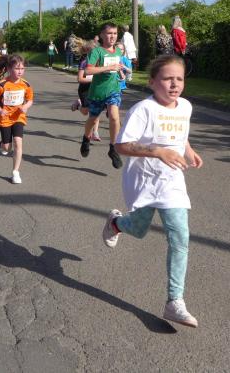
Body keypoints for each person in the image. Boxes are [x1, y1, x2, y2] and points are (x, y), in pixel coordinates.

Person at [101, 55, 203, 328]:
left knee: (180, 236)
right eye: (168, 79)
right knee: (138, 228)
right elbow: (121, 145)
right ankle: (116, 223)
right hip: (144, 180)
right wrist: (157, 151)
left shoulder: (185, 106)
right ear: (152, 82)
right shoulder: (143, 110)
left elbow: (180, 132)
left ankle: (174, 302)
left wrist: (189, 151)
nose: (175, 84)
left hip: (172, 182)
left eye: (179, 79)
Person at [79, 23, 125, 169]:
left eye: (115, 33)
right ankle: (86, 138)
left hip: (113, 90)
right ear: (102, 35)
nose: (113, 36)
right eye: (109, 33)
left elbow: (117, 66)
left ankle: (113, 148)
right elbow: (88, 71)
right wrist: (109, 67)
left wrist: (121, 72)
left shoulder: (118, 51)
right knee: (93, 119)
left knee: (114, 117)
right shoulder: (96, 51)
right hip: (97, 92)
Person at [0, 55, 34, 184]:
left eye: (22, 69)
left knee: (18, 143)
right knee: (7, 148)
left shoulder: (25, 84)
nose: (20, 71)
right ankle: (2, 144)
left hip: (18, 117)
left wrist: (25, 107)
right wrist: (0, 110)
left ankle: (15, 172)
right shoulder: (3, 84)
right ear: (9, 69)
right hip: (5, 118)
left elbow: (30, 100)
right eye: (17, 68)